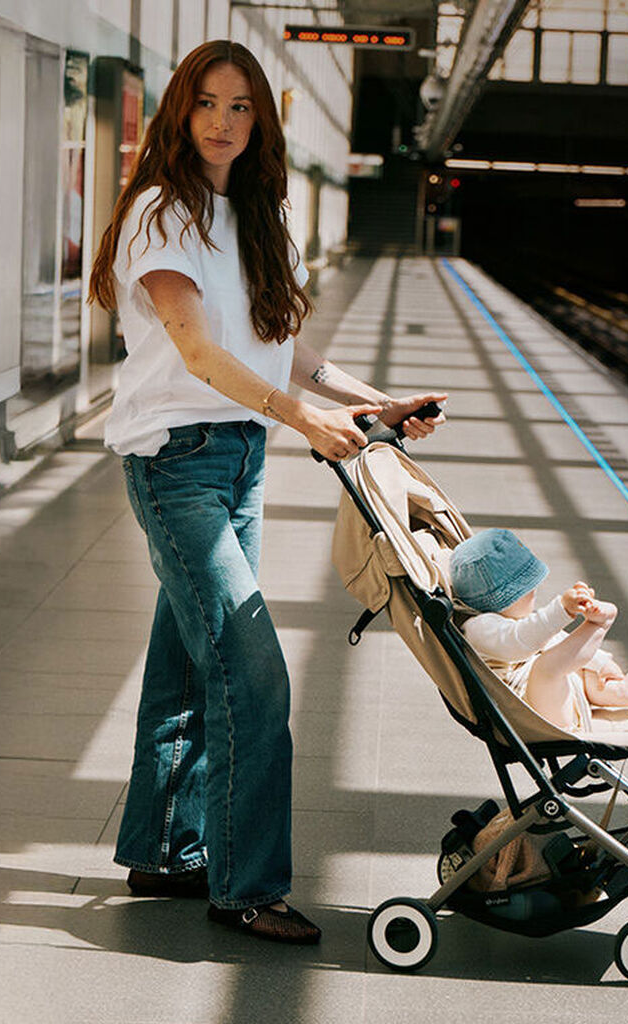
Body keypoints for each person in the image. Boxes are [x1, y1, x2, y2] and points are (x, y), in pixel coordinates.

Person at [85, 39, 446, 945]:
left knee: (182, 663)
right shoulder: (161, 215)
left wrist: (376, 404)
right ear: (179, 109)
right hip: (177, 467)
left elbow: (286, 348)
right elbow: (199, 354)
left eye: (240, 107)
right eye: (206, 102)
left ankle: (166, 852)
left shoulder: (255, 214)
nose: (221, 121)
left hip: (237, 463)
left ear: (261, 119)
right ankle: (245, 886)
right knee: (253, 676)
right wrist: (301, 421)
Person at [444, 531, 628, 732]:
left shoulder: (514, 619)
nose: (534, 592)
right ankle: (600, 624)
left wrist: (601, 664)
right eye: (526, 590)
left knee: (575, 666)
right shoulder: (478, 628)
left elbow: (556, 641)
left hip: (558, 697)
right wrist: (562, 609)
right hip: (529, 712)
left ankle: (623, 692)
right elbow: (518, 642)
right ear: (498, 600)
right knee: (547, 667)